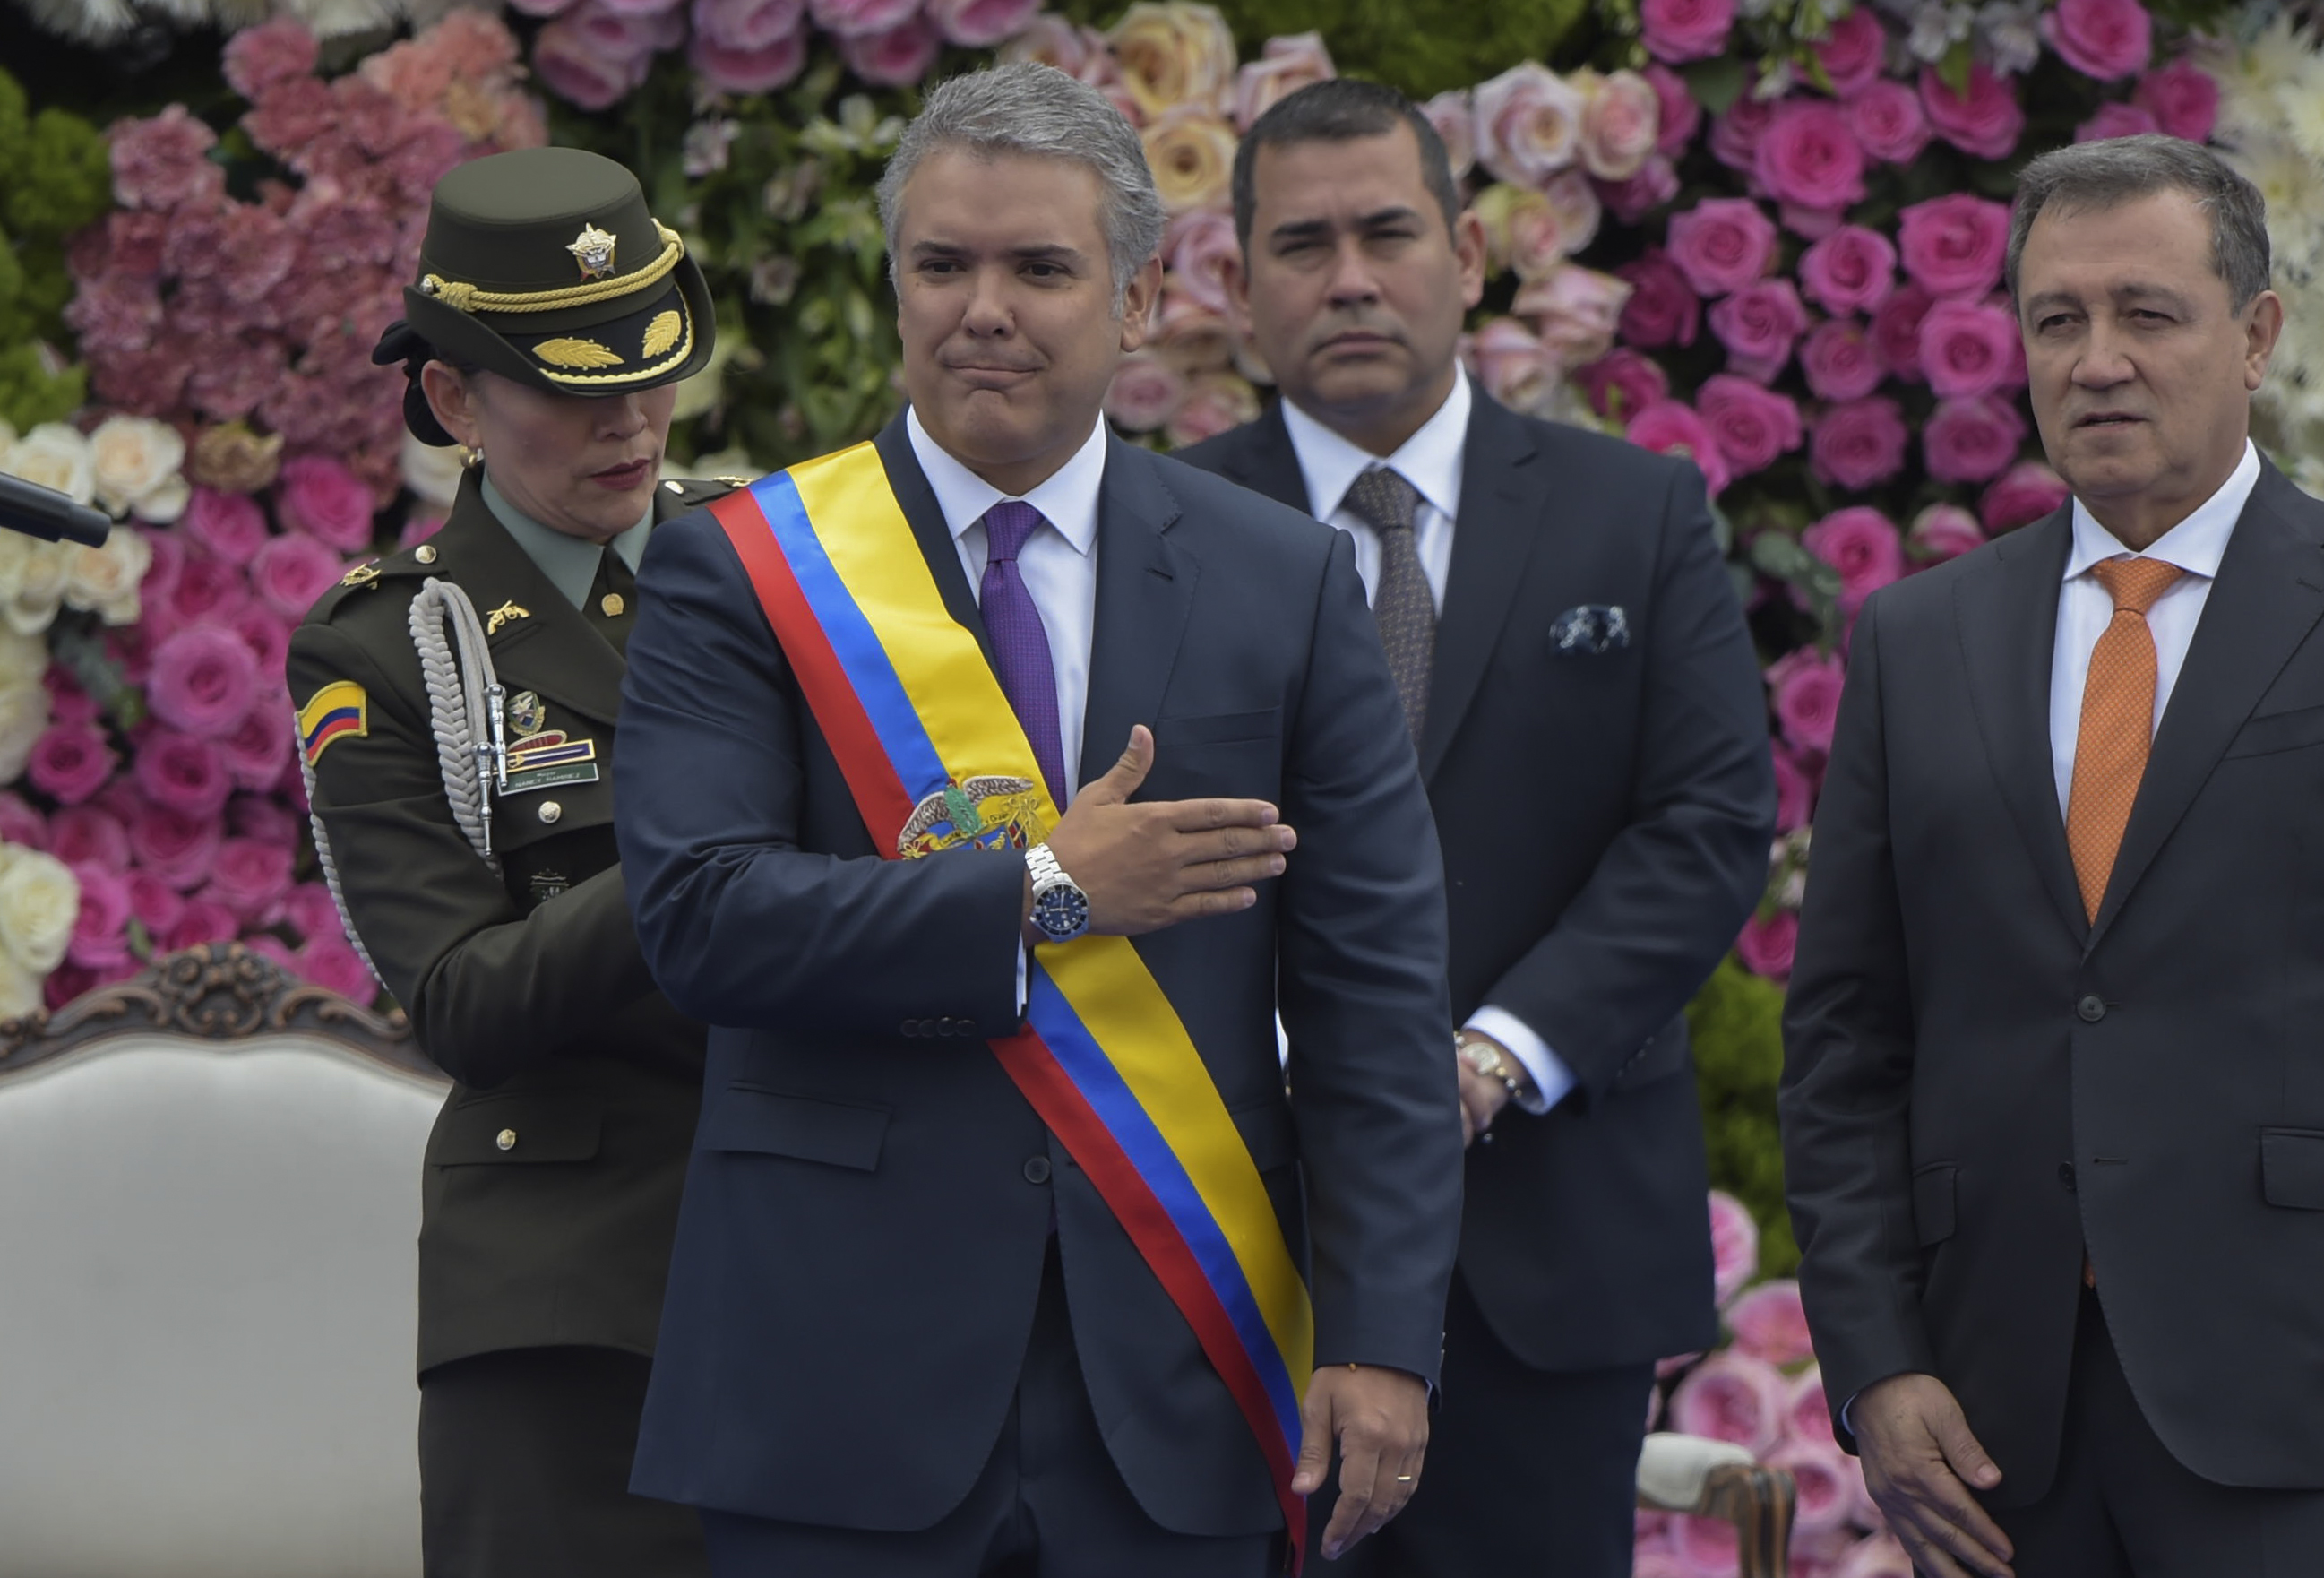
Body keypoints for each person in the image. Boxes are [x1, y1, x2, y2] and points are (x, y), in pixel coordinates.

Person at [611, 63, 1465, 1578]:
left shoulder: (1277, 578)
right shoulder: (741, 570)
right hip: (836, 1383)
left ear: (1137, 303)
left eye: (1038, 268)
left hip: (1175, 1374)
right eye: (941, 265)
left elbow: (1374, 996)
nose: (981, 308)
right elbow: (703, 921)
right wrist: (1046, 889)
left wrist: (1385, 1331)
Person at [1176, 79, 1776, 1577]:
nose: (1351, 276)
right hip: (1234, 1242)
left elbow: (1704, 826)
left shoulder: (1630, 513)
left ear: (1465, 252)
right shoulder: (1159, 531)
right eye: (1302, 244)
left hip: (1549, 1245)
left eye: (1387, 230)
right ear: (1239, 284)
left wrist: (1487, 1058)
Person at [1782, 134, 2323, 1578]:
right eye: (2055, 319)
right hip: (1985, 1420)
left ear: (2254, 333)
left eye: (2146, 314)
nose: (2096, 361)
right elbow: (1846, 1036)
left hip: (2284, 1402)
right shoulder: (1915, 638)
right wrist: (1874, 1366)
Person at [287, 146, 734, 1578]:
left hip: (837, 1232)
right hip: (570, 1291)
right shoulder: (387, 644)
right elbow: (464, 996)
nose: (630, 417)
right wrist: (710, 850)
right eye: (567, 385)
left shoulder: (789, 561)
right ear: (451, 399)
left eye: (649, 365)